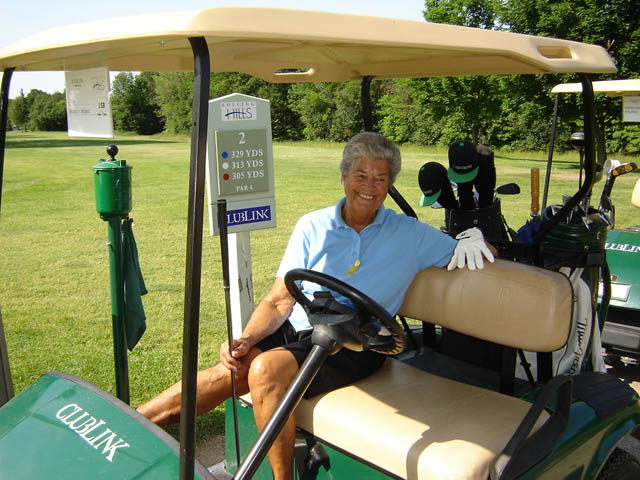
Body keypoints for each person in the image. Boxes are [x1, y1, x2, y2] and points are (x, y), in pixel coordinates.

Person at [137, 132, 495, 479]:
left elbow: (477, 251)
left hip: (357, 342)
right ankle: (131, 429)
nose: (369, 186)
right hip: (303, 327)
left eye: (380, 178)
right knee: (228, 371)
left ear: (389, 185)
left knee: (264, 370)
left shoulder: (410, 234)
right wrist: (246, 338)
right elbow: (279, 299)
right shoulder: (313, 225)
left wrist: (474, 236)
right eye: (361, 175)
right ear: (344, 177)